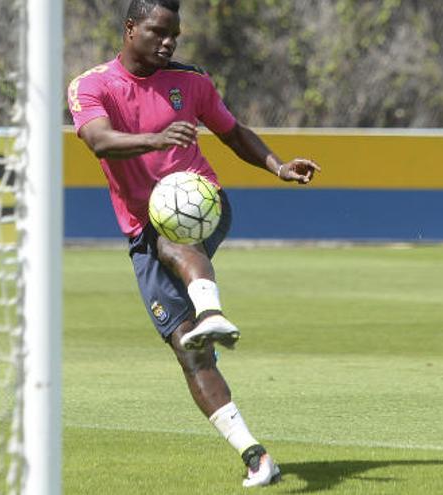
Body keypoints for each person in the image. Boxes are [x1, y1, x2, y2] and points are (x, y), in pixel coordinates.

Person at [67, 0, 320, 488]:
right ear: (130, 29)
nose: (168, 43)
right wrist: (157, 139)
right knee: (190, 354)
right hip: (140, 231)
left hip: (203, 202)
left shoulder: (192, 82)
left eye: (175, 35)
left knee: (173, 227)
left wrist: (277, 165)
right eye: (158, 32)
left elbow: (231, 131)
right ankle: (255, 455)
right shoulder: (92, 85)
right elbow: (98, 141)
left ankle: (211, 311)